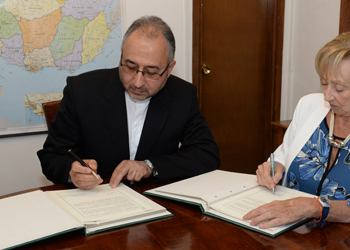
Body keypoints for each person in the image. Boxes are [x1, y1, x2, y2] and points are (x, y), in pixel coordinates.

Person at [243, 31, 350, 237]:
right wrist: (274, 167)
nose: (327, 95)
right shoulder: (308, 105)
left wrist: (316, 207)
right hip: (292, 233)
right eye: (324, 83)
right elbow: (283, 154)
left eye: (339, 88)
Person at [37, 16, 220, 190]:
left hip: (155, 206)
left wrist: (150, 167)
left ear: (169, 68)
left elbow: (206, 154)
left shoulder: (182, 96)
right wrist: (72, 172)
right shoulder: (82, 91)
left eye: (151, 72)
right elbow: (51, 156)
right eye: (131, 67)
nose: (138, 82)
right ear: (122, 56)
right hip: (96, 200)